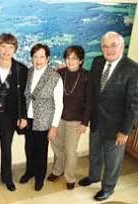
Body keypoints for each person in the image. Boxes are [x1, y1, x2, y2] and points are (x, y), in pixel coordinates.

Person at [78, 31, 138, 201]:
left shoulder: (133, 69)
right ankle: (94, 176)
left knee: (113, 161)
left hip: (117, 126)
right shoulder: (97, 62)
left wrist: (125, 131)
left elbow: (133, 105)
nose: (109, 49)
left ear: (122, 47)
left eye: (114, 45)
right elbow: (91, 91)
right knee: (94, 153)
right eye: (105, 46)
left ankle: (108, 188)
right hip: (97, 121)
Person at [0, 33, 28, 196]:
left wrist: (23, 116)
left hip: (10, 117)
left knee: (6, 149)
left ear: (15, 49)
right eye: (3, 46)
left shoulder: (20, 69)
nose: (6, 50)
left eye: (10, 47)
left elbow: (24, 95)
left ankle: (8, 178)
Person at [47, 45, 92, 190]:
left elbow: (90, 102)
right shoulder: (59, 73)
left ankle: (70, 177)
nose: (70, 61)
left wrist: (85, 122)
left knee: (70, 151)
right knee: (56, 146)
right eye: (68, 58)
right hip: (58, 118)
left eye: (74, 58)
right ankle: (57, 170)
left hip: (76, 120)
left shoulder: (87, 76)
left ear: (80, 61)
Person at [19, 43, 64, 191]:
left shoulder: (55, 77)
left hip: (44, 121)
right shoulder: (30, 72)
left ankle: (39, 177)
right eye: (35, 57)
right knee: (29, 148)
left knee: (41, 151)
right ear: (32, 58)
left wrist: (54, 127)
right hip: (29, 119)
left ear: (48, 58)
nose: (38, 60)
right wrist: (22, 116)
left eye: (42, 57)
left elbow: (59, 104)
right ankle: (30, 171)